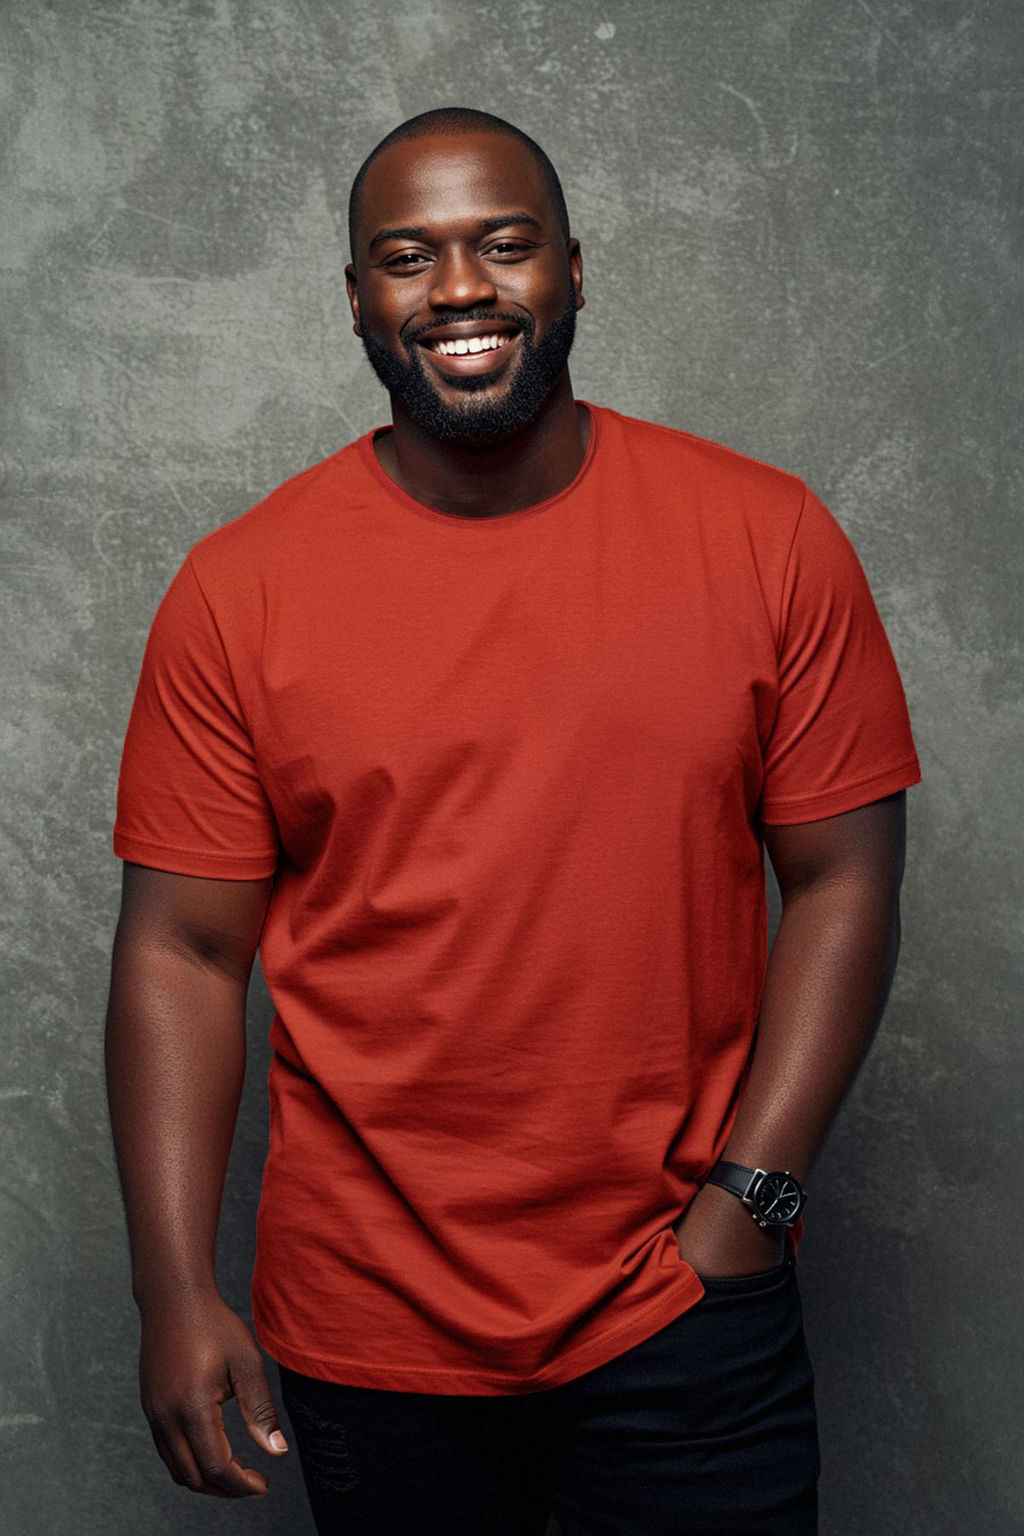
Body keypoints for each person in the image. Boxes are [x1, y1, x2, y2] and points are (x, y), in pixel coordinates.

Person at [106, 107, 921, 1535]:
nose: (459, 288)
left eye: (503, 244)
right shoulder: (239, 591)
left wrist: (752, 1205)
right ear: (356, 298)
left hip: (685, 1300)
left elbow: (846, 880)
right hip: (368, 1322)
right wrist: (172, 1290)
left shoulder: (769, 538)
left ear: (574, 270)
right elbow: (182, 950)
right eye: (406, 257)